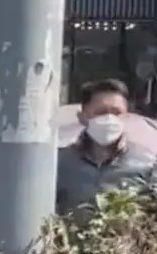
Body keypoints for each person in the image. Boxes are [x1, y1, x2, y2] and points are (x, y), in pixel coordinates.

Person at [57, 78, 157, 223]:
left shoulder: (148, 164)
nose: (109, 118)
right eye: (101, 112)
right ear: (82, 117)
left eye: (117, 113)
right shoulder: (60, 162)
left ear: (126, 116)